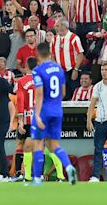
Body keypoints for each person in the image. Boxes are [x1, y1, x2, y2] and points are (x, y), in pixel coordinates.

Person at [30, 42, 77, 186]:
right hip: (57, 110)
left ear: (38, 54)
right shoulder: (59, 69)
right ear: (50, 53)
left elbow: (39, 93)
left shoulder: (38, 70)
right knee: (54, 144)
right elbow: (63, 92)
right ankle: (69, 167)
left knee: (38, 144)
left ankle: (37, 179)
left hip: (44, 110)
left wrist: (37, 114)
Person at [51, 18, 84, 100]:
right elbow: (52, 55)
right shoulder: (54, 39)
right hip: (61, 71)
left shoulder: (74, 38)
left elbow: (80, 54)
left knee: (74, 91)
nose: (55, 27)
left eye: (57, 25)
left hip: (72, 70)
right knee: (63, 94)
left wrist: (76, 69)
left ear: (64, 26)